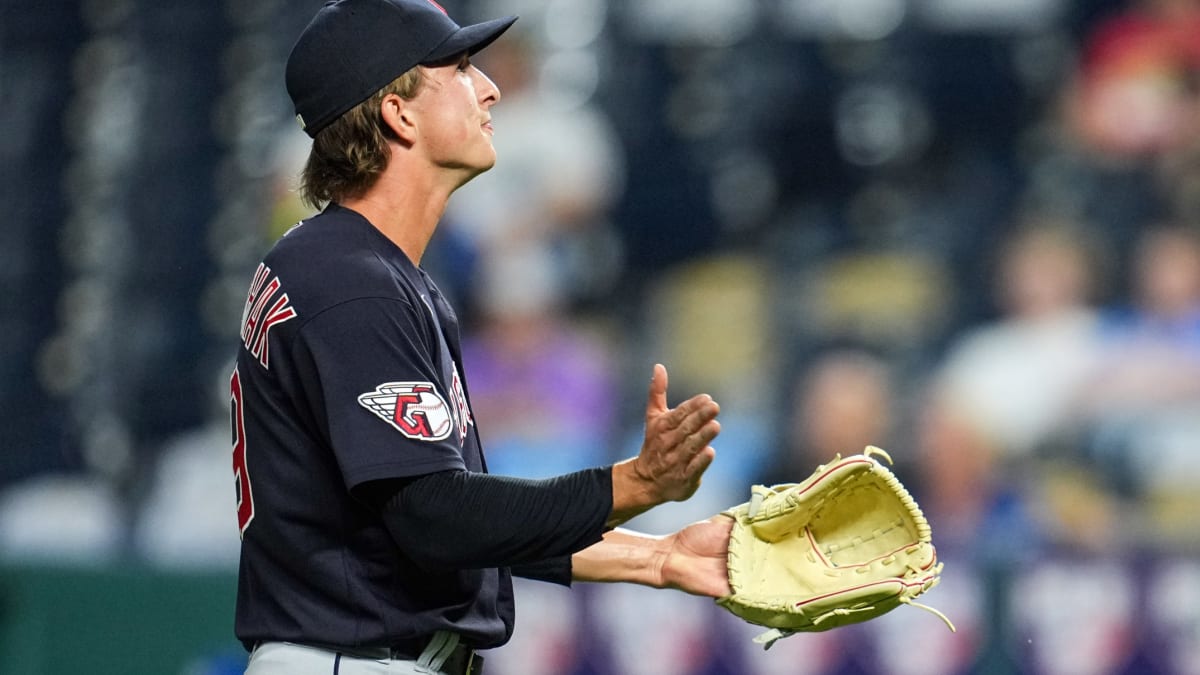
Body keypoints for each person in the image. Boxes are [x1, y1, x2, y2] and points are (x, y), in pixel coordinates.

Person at [230, 2, 729, 674]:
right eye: (460, 69)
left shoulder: (361, 268)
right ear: (398, 114)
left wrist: (659, 556)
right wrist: (632, 482)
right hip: (353, 659)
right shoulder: (351, 282)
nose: (490, 86)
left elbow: (456, 522)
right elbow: (435, 517)